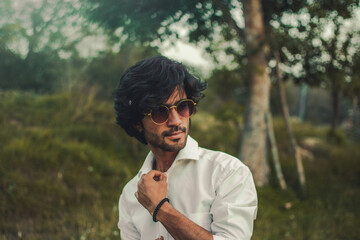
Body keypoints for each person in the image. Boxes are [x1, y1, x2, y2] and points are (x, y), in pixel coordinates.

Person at [114, 56, 257, 240]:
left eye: (183, 107)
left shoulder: (227, 172)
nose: (176, 121)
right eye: (160, 112)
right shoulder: (131, 194)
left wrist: (161, 209)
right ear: (137, 123)